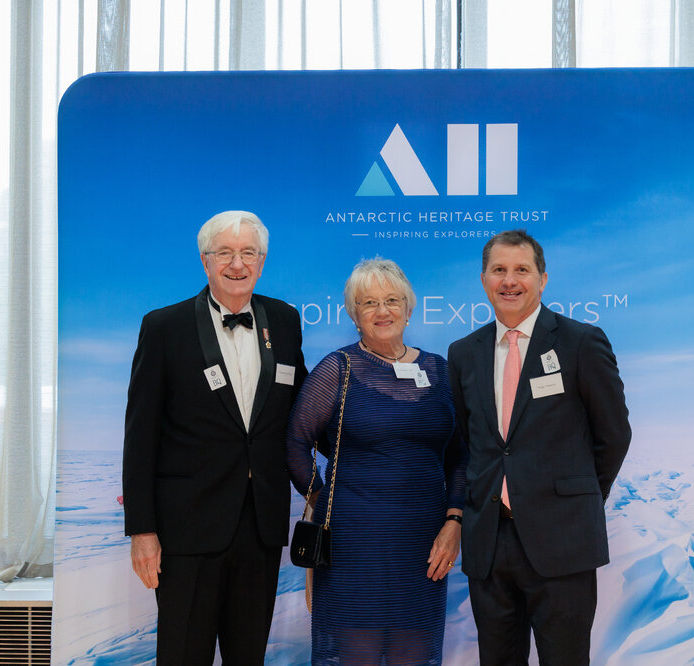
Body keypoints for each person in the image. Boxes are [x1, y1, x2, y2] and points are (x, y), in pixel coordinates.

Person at [122, 210, 307, 665]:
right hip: (187, 530)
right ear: (205, 261)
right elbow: (140, 435)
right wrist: (142, 529)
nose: (237, 264)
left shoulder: (284, 321)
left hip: (261, 526)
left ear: (262, 262)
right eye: (225, 253)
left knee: (248, 656)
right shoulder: (164, 327)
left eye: (248, 253)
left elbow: (303, 407)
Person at [447, 229, 631, 665]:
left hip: (563, 540)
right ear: (484, 280)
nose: (510, 281)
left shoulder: (581, 342)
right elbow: (466, 443)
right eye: (499, 270)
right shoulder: (463, 353)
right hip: (489, 544)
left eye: (522, 270)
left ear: (542, 279)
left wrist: (577, 499)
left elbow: (613, 435)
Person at [286, 257, 466, 665]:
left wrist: (454, 520)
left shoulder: (439, 370)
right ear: (354, 315)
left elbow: (460, 456)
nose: (382, 311)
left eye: (391, 300)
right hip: (352, 545)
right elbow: (296, 442)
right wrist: (322, 499)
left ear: (408, 307)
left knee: (414, 654)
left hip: (423, 545)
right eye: (368, 303)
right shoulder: (338, 369)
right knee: (355, 653)